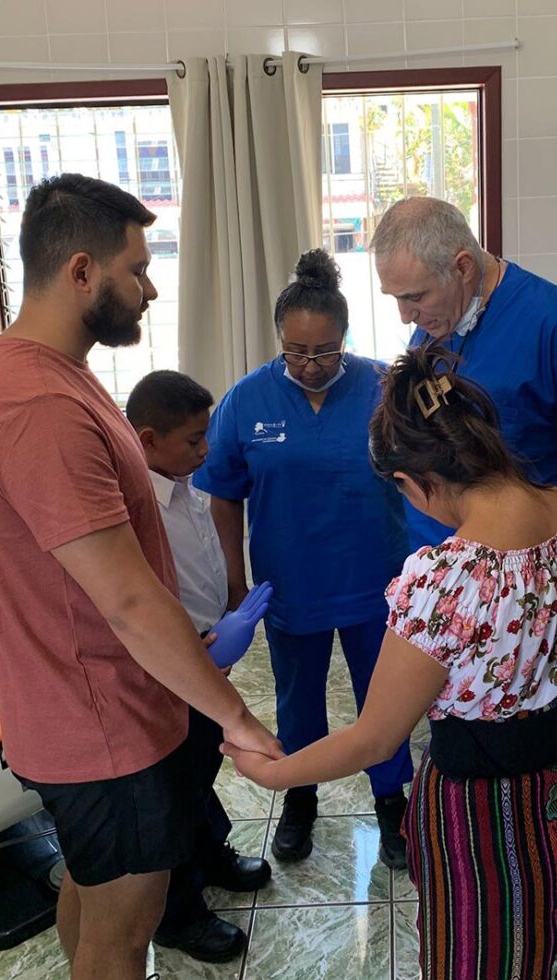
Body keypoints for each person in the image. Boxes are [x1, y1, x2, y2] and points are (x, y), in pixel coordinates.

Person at [221, 345, 557, 980]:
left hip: (485, 805)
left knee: (490, 968)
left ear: (418, 482)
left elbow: (375, 736)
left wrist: (277, 775)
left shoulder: (445, 583)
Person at [0, 174, 281, 980]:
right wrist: (237, 719)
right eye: (138, 269)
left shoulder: (51, 373)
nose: (152, 285)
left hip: (84, 711)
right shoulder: (38, 407)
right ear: (81, 271)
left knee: (95, 893)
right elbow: (130, 603)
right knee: (122, 927)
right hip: (99, 729)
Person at [194, 249, 414, 869]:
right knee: (298, 697)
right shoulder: (246, 401)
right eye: (297, 351)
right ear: (280, 341)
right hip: (291, 583)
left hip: (378, 580)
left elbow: (425, 476)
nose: (311, 365)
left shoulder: (382, 387)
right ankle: (299, 795)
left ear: (345, 339)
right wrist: (236, 585)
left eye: (325, 351)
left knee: (383, 698)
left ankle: (392, 799)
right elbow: (223, 496)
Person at [370, 196, 557, 582]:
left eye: (415, 297)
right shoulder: (434, 325)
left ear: (463, 267)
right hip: (442, 569)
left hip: (526, 585)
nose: (405, 316)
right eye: (396, 298)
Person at [126, 369, 273, 964]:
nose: (206, 449)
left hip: (210, 652)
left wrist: (228, 611)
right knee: (174, 787)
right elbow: (142, 600)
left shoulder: (183, 484)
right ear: (147, 439)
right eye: (192, 440)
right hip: (176, 663)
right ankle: (180, 913)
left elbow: (202, 562)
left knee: (202, 761)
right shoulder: (136, 504)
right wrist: (200, 644)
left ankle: (210, 854)